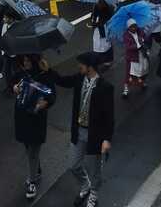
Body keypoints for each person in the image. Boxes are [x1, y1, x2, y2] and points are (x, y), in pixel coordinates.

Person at [49, 52, 115, 207]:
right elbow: (63, 81)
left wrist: (106, 139)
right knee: (73, 165)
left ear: (90, 67)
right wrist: (48, 71)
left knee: (94, 170)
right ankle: (85, 185)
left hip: (94, 135)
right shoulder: (80, 79)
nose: (79, 66)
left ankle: (94, 194)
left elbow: (109, 116)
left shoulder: (105, 87)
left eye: (81, 64)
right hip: (79, 131)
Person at [12, 54, 56, 200]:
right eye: (24, 61)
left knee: (33, 151)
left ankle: (32, 181)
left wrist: (45, 103)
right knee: (28, 147)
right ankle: (36, 170)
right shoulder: (21, 74)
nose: (25, 63)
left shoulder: (44, 75)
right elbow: (13, 83)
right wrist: (14, 88)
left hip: (37, 118)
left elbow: (52, 96)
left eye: (28, 61)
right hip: (22, 116)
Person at [122, 19, 149, 98]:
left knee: (143, 70)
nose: (134, 28)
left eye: (135, 26)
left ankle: (142, 82)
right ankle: (126, 88)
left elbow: (145, 38)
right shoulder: (126, 35)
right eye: (132, 27)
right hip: (132, 58)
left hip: (142, 55)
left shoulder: (140, 31)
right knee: (129, 73)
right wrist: (138, 45)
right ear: (128, 28)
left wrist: (143, 40)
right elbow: (128, 46)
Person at [90, 0, 115, 68]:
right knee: (98, 45)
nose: (99, 4)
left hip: (105, 29)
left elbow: (109, 19)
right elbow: (93, 17)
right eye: (98, 2)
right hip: (98, 30)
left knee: (107, 45)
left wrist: (99, 23)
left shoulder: (109, 8)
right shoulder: (95, 7)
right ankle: (101, 59)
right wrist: (93, 21)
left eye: (101, 3)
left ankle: (108, 60)